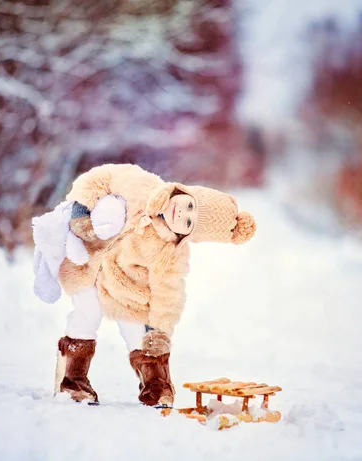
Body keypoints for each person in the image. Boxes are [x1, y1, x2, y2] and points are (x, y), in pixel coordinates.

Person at [32, 163, 257, 407]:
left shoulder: (170, 252)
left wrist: (159, 332)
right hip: (84, 265)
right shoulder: (142, 184)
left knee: (138, 334)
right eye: (189, 206)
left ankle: (156, 385)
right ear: (185, 192)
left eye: (189, 223)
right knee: (87, 314)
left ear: (187, 235)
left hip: (125, 290)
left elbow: (168, 294)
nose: (182, 215)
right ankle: (72, 380)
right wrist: (80, 211)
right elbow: (100, 178)